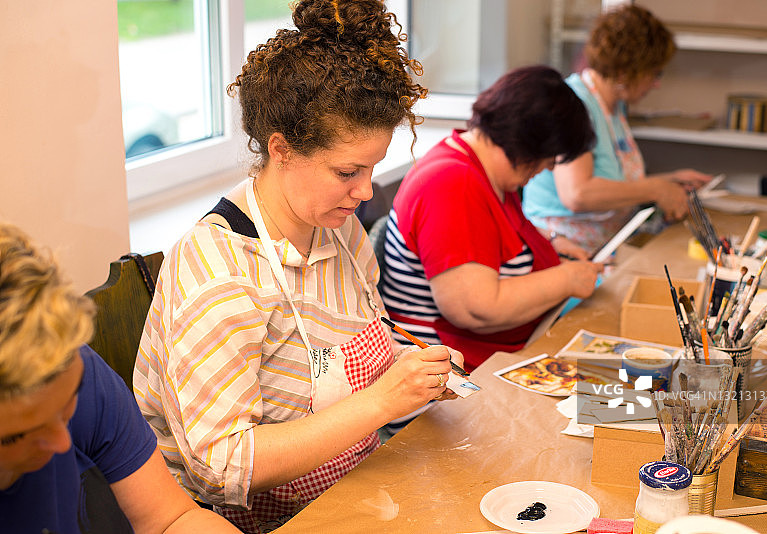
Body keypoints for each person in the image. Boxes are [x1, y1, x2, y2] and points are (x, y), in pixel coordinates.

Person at [133, 1, 463, 532]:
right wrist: (382, 402)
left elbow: (352, 353)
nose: (366, 191)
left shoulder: (337, 228)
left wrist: (417, 372)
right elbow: (222, 467)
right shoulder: (221, 275)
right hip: (241, 520)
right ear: (281, 149)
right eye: (347, 171)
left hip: (350, 486)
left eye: (373, 168)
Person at [0, 223, 240, 534]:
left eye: (67, 405)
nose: (63, 442)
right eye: (19, 434)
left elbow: (171, 521)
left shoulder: (74, 371)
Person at [380, 65, 603, 373]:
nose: (548, 169)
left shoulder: (485, 173)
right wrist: (568, 279)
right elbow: (477, 309)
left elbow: (492, 232)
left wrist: (553, 242)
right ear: (529, 144)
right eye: (549, 158)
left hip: (493, 356)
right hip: (450, 377)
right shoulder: (452, 184)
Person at [522, 4, 713, 253]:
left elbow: (612, 179)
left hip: (606, 246)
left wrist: (670, 180)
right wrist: (655, 189)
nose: (656, 84)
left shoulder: (614, 107)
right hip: (564, 251)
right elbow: (577, 193)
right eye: (654, 73)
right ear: (625, 72)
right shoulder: (576, 105)